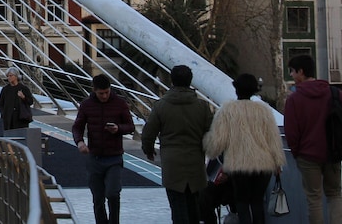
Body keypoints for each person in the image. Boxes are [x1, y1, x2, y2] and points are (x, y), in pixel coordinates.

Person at [204, 72, 285, 224]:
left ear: (236, 89)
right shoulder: (264, 111)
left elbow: (216, 142)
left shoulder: (227, 111)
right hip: (264, 164)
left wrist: (210, 151)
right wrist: (277, 162)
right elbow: (273, 139)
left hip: (239, 164)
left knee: (242, 202)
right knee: (257, 202)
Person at [141, 64, 213, 224]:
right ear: (190, 81)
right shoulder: (202, 106)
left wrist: (149, 150)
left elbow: (148, 133)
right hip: (195, 161)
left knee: (177, 205)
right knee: (193, 204)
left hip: (172, 163)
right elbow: (211, 132)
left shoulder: (161, 106)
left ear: (172, 81)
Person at [284, 53, 342, 224]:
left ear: (301, 72)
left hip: (307, 156)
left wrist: (297, 152)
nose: (292, 76)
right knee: (335, 194)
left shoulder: (294, 99)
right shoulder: (334, 94)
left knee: (314, 199)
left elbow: (291, 131)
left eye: (293, 71)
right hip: (333, 153)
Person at [71, 74, 135, 224]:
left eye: (107, 92)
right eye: (101, 93)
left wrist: (118, 128)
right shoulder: (87, 105)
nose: (104, 96)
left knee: (113, 194)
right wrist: (79, 142)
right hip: (95, 157)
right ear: (94, 91)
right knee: (98, 198)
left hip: (114, 157)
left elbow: (130, 126)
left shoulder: (120, 103)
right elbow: (77, 127)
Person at [0, 67, 35, 131]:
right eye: (7, 76)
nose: (9, 78)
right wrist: (4, 114)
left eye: (11, 76)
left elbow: (30, 101)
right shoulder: (5, 89)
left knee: (21, 135)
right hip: (9, 118)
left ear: (16, 76)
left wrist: (23, 97)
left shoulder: (23, 88)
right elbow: (0, 104)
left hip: (21, 118)